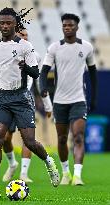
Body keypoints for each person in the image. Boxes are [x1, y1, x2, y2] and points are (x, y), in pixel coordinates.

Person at [0, 7, 60, 200]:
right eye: (2, 23)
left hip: (22, 98)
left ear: (15, 24)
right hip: (2, 99)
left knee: (29, 142)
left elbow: (36, 73)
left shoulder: (25, 47)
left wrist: (25, 67)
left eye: (8, 23)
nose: (5, 26)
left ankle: (49, 162)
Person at [0, 29, 53, 183]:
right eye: (21, 35)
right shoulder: (2, 52)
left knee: (27, 139)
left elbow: (39, 81)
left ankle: (24, 173)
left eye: (26, 36)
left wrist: (47, 105)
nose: (24, 38)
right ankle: (12, 164)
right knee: (4, 139)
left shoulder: (34, 56)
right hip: (5, 98)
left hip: (25, 99)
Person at [39, 13, 97, 186]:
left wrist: (93, 98)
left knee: (78, 136)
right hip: (59, 101)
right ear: (62, 27)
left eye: (70, 25)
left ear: (77, 27)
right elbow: (43, 72)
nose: (67, 28)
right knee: (63, 139)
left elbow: (93, 74)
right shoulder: (54, 48)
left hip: (79, 99)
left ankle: (77, 175)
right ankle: (65, 173)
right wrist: (43, 88)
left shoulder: (86, 47)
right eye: (65, 25)